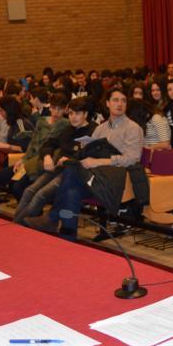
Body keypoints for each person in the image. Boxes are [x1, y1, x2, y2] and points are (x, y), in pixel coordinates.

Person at [25, 88, 144, 239]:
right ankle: (68, 235)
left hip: (115, 179)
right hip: (95, 177)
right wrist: (80, 155)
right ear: (107, 103)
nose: (120, 104)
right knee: (71, 191)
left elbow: (132, 158)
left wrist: (99, 161)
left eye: (123, 100)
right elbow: (88, 154)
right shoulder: (100, 128)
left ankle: (53, 218)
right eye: (115, 100)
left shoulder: (133, 128)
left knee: (70, 173)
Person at [14, 97, 96, 224]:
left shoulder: (93, 130)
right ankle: (16, 224)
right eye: (71, 113)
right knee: (29, 191)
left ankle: (16, 225)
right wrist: (47, 156)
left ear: (85, 114)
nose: (73, 117)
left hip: (74, 173)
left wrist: (70, 159)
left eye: (78, 113)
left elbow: (90, 154)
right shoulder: (68, 129)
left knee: (41, 195)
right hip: (58, 169)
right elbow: (49, 143)